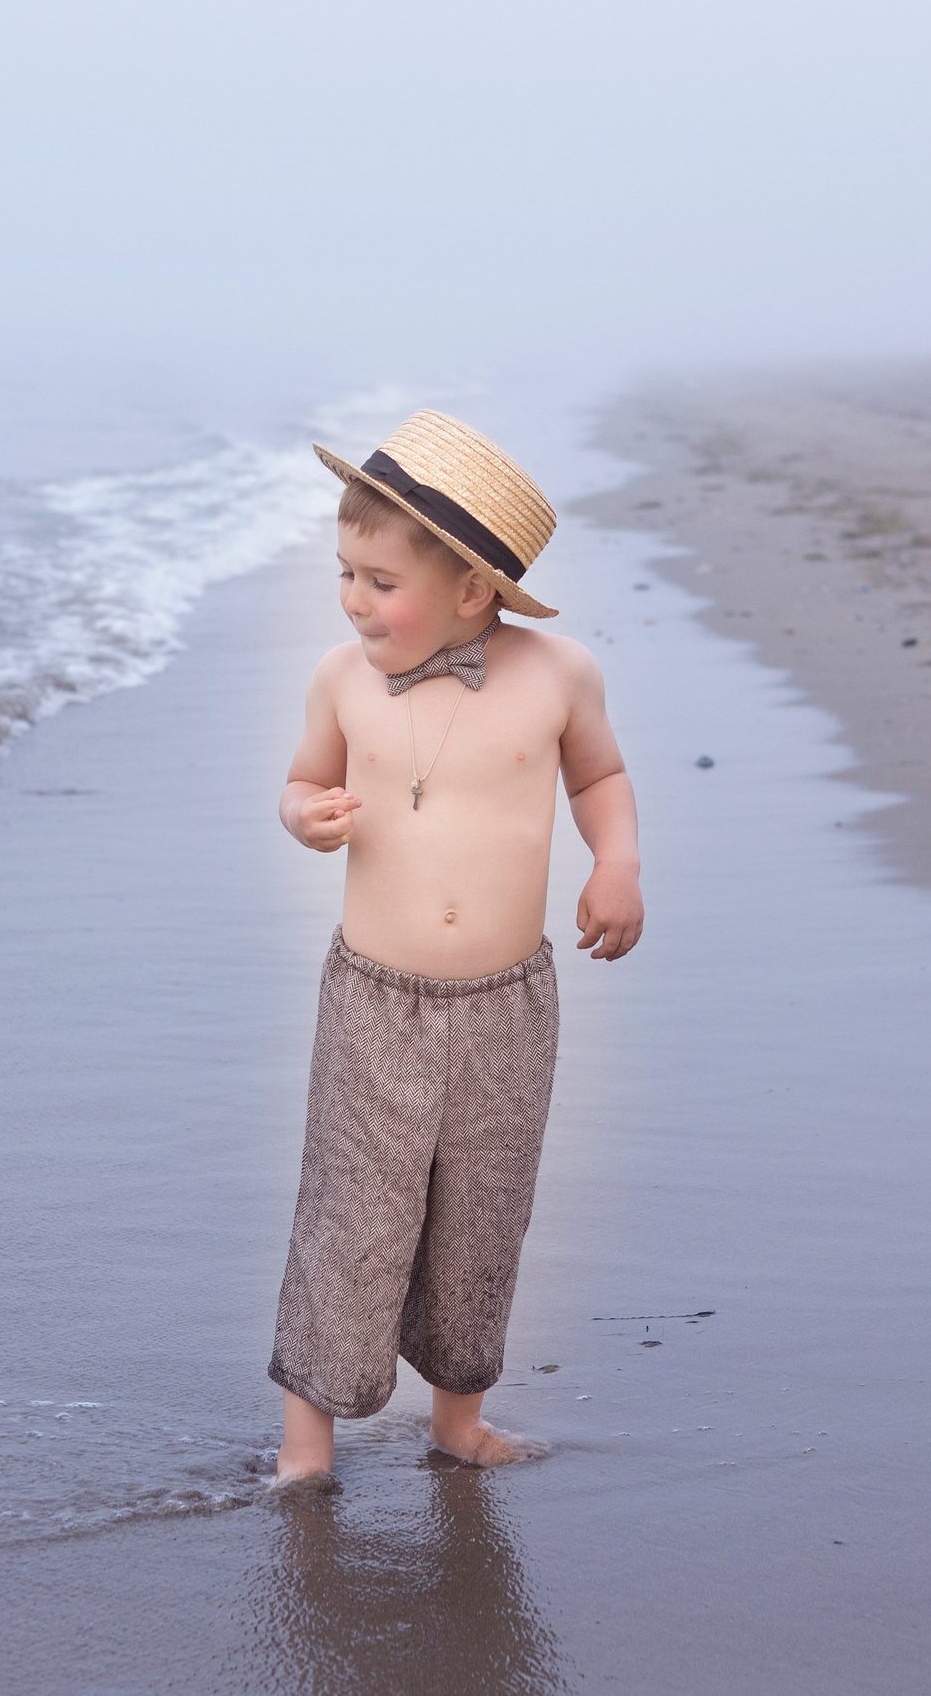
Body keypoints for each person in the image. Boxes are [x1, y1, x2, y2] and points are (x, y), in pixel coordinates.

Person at [268, 410, 644, 1484]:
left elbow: (599, 780)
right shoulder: (342, 680)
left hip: (505, 1003)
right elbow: (300, 780)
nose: (353, 600)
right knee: (354, 1208)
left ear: (473, 588)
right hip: (374, 999)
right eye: (345, 573)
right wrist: (306, 816)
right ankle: (307, 1443)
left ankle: (458, 1418)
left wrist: (613, 862)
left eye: (380, 582)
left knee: (483, 1207)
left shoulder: (558, 675)